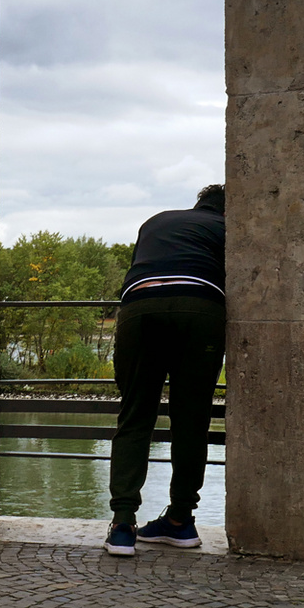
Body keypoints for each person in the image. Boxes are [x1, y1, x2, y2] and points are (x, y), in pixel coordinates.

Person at [104, 184, 226, 556]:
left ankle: (123, 524)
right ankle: (180, 521)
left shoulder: (156, 222)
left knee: (136, 415)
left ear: (198, 204)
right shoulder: (228, 229)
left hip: (140, 306)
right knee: (192, 420)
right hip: (200, 307)